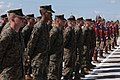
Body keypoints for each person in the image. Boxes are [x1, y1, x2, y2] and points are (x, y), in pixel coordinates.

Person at [26, 5, 54, 80]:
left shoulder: (45, 25)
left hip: (44, 60)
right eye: (50, 13)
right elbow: (31, 43)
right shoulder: (38, 26)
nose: (51, 15)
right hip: (38, 60)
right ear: (44, 13)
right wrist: (28, 57)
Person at [0, 9, 25, 80]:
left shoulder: (20, 34)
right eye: (20, 18)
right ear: (13, 19)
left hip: (19, 75)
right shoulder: (7, 35)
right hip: (8, 75)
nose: (23, 20)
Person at [47, 14, 64, 80]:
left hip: (59, 57)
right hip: (53, 58)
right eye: (62, 21)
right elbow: (49, 45)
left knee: (58, 75)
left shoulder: (60, 30)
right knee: (52, 76)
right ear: (58, 21)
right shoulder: (54, 31)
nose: (64, 22)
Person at [63, 15, 76, 80]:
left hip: (72, 50)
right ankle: (66, 77)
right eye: (72, 21)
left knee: (71, 66)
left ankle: (70, 77)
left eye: (74, 21)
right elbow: (64, 42)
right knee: (67, 66)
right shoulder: (68, 30)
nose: (74, 23)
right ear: (69, 22)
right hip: (68, 51)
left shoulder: (72, 29)